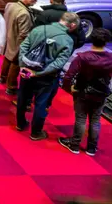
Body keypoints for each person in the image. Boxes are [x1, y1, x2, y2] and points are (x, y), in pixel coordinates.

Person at [59, 28, 112, 156]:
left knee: (81, 118)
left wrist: (68, 88)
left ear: (92, 39)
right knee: (95, 120)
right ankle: (92, 148)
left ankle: (74, 145)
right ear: (106, 42)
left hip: (82, 92)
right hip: (101, 93)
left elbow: (68, 76)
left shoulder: (82, 57)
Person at [16, 12, 79, 140]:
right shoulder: (67, 40)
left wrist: (22, 65)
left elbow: (23, 47)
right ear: (72, 25)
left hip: (26, 70)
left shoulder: (39, 29)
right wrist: (38, 73)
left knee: (22, 98)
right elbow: (59, 63)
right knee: (41, 104)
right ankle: (36, 132)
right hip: (47, 77)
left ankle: (20, 124)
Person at [0, 0, 39, 96]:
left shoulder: (10, 5)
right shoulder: (24, 13)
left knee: (7, 58)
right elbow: (24, 34)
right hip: (17, 43)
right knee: (16, 64)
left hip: (8, 39)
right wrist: (23, 49)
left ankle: (2, 78)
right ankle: (11, 87)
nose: (35, 1)